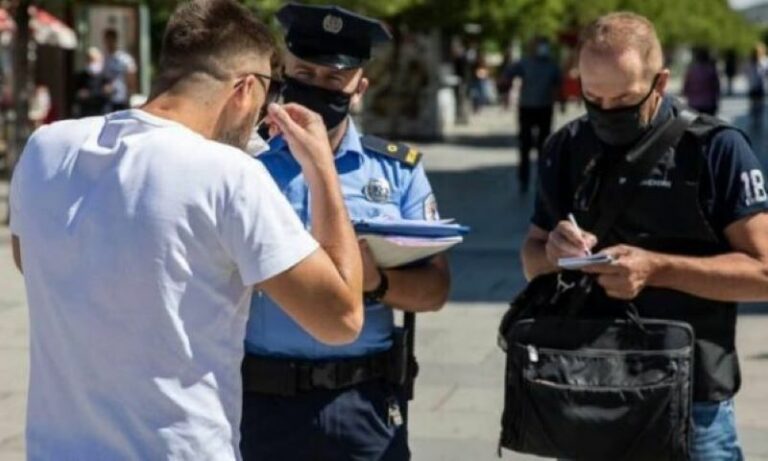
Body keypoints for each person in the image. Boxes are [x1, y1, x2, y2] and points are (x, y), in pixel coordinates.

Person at [9, 1, 365, 459]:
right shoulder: (229, 175)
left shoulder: (47, 148)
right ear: (246, 88)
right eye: (270, 91)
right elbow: (341, 319)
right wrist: (322, 172)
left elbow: (30, 262)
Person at [521, 12, 768, 461]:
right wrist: (554, 252)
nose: (607, 112)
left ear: (660, 82)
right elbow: (531, 258)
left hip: (693, 403)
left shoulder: (716, 149)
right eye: (593, 97)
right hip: (587, 390)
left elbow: (764, 272)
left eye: (624, 99)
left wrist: (658, 269)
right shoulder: (566, 147)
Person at [239, 4, 451, 461]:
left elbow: (434, 289)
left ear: (359, 89)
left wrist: (377, 283)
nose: (316, 87)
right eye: (304, 73)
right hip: (262, 401)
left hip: (364, 401)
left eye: (333, 79)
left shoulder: (397, 171)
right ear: (284, 73)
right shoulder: (243, 165)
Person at [503, 37, 561, 194]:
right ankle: (524, 179)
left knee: (545, 146)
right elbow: (509, 74)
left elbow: (558, 83)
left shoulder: (552, 65)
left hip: (545, 107)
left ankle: (542, 179)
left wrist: (560, 102)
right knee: (525, 145)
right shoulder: (525, 63)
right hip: (527, 107)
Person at [102, 28, 137, 111]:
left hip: (122, 98)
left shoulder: (124, 58)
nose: (108, 43)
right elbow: (105, 78)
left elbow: (131, 77)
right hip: (109, 99)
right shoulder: (106, 59)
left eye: (110, 40)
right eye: (106, 40)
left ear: (115, 40)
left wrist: (130, 95)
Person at [682, 46, 720, 115]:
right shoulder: (711, 71)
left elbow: (686, 86)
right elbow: (716, 87)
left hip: (694, 103)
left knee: (696, 124)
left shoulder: (692, 71)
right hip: (708, 103)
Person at [74, 46, 108, 117]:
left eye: (93, 59)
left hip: (101, 111)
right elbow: (77, 93)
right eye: (89, 59)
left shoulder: (105, 76)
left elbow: (108, 92)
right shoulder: (81, 76)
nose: (91, 62)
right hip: (86, 112)